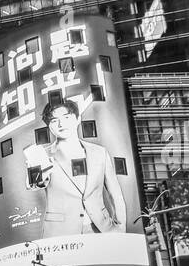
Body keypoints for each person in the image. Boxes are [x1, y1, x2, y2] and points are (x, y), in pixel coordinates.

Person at [23, 98, 127, 238]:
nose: (61, 124)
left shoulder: (99, 152)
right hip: (60, 234)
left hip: (102, 229)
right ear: (49, 126)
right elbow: (34, 184)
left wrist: (120, 228)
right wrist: (37, 170)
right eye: (54, 120)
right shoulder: (43, 154)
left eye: (66, 117)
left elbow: (115, 193)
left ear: (78, 119)